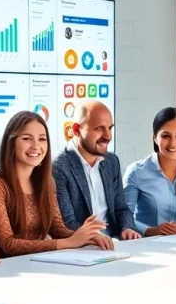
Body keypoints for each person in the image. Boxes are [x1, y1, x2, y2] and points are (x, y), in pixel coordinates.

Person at [0, 110, 111, 257]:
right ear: (11, 143)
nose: (36, 146)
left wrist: (87, 237)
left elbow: (58, 229)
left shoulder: (47, 183)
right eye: (27, 139)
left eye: (42, 139)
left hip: (36, 263)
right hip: (3, 268)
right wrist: (69, 242)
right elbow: (8, 244)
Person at [53, 100, 141, 240]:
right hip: (81, 247)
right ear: (76, 130)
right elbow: (67, 223)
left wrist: (127, 227)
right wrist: (95, 238)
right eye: (99, 128)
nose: (108, 136)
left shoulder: (111, 161)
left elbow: (121, 208)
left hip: (115, 243)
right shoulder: (58, 167)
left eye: (110, 128)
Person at [124, 107, 176, 236]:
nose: (173, 143)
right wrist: (151, 230)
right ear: (154, 138)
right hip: (147, 243)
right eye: (166, 136)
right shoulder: (136, 172)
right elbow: (125, 216)